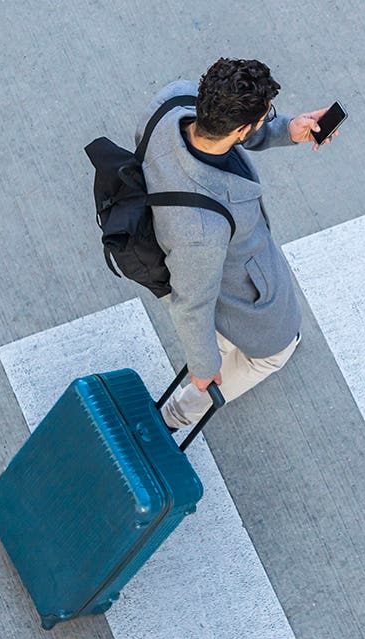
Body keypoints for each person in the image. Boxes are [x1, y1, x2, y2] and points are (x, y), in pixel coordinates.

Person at [133, 57, 339, 431]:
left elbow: (228, 132)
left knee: (218, 337)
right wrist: (204, 367)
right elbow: (192, 303)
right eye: (265, 117)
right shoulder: (201, 230)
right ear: (243, 128)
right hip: (222, 276)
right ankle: (175, 417)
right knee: (274, 350)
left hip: (187, 241)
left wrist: (287, 130)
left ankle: (219, 349)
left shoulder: (173, 100)